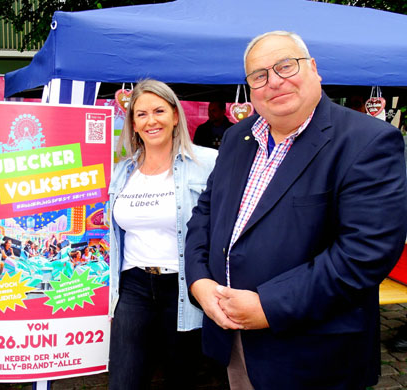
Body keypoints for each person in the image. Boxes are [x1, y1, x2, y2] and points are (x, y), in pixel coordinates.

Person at [185, 30, 407, 389]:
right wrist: (199, 281)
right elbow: (204, 216)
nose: (274, 81)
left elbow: (365, 252)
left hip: (314, 354)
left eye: (285, 66)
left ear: (314, 69)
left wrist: (268, 306)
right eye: (259, 75)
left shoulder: (367, 141)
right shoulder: (237, 138)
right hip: (234, 342)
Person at [108, 79, 218, 389]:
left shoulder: (207, 163)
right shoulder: (124, 170)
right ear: (132, 123)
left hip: (184, 285)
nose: (150, 120)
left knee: (180, 377)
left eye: (158, 111)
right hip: (134, 285)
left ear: (174, 115)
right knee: (124, 380)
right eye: (141, 114)